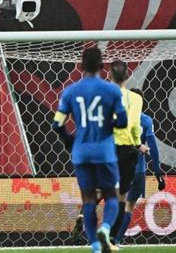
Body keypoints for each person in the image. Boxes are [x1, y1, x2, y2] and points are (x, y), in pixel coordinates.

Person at [53, 47, 127, 253]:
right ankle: (105, 228)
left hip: (81, 152)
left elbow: (57, 124)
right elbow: (122, 121)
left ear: (82, 66)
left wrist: (69, 141)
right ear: (102, 67)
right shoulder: (111, 91)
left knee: (88, 199)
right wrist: (107, 125)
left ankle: (94, 246)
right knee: (112, 195)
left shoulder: (70, 91)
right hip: (104, 151)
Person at [114, 88, 166, 245]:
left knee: (116, 204)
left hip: (120, 168)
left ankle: (107, 240)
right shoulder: (146, 120)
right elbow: (153, 149)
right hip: (138, 171)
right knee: (129, 207)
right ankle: (116, 241)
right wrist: (158, 173)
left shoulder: (121, 120)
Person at [108, 60, 148, 243]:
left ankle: (85, 218)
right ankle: (112, 239)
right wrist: (138, 143)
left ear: (109, 75)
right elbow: (133, 125)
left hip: (104, 148)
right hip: (125, 149)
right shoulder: (136, 98)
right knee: (121, 196)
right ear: (127, 76)